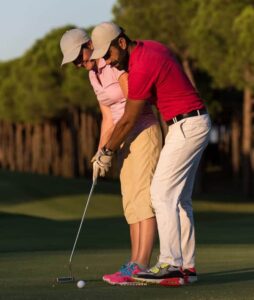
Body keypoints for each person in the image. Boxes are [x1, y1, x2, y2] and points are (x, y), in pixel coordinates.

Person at [90, 22, 211, 286]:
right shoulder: (150, 49)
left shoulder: (143, 64)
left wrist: (107, 151)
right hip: (191, 122)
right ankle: (186, 267)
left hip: (187, 125)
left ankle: (170, 263)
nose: (108, 63)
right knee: (179, 200)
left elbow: (128, 119)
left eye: (108, 55)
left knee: (160, 193)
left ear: (121, 43)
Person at [59, 28, 162, 285]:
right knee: (130, 201)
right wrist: (100, 153)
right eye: (73, 61)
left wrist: (110, 149)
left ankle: (141, 264)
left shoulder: (114, 63)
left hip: (142, 132)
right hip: (120, 140)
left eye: (79, 56)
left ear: (90, 44)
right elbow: (107, 119)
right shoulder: (93, 76)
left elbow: (132, 107)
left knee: (143, 199)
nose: (78, 63)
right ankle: (133, 262)